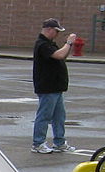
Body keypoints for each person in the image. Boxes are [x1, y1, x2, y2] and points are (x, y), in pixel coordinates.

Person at [31, 18, 77, 154]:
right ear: (49, 30)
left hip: (56, 87)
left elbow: (63, 56)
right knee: (44, 116)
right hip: (47, 87)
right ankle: (38, 143)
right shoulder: (42, 44)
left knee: (59, 117)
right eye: (56, 31)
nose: (57, 34)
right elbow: (59, 55)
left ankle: (60, 142)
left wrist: (68, 46)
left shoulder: (49, 44)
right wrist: (68, 42)